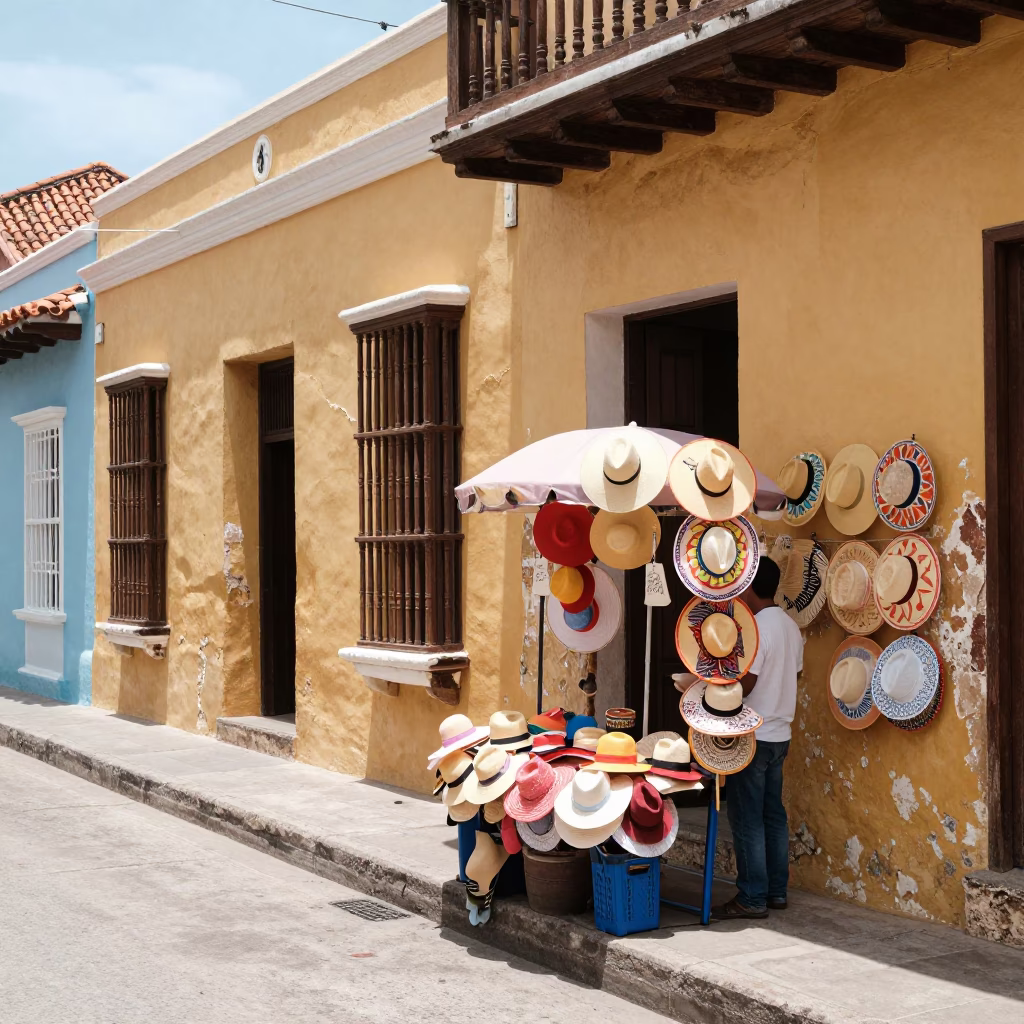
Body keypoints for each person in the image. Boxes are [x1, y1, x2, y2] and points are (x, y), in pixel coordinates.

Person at [712, 556, 803, 920]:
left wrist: (718, 685)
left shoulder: (757, 628)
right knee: (772, 815)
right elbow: (795, 675)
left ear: (748, 587)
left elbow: (746, 686)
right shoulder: (790, 627)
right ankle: (776, 892)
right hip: (781, 733)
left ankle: (752, 896)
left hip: (755, 734)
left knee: (747, 817)